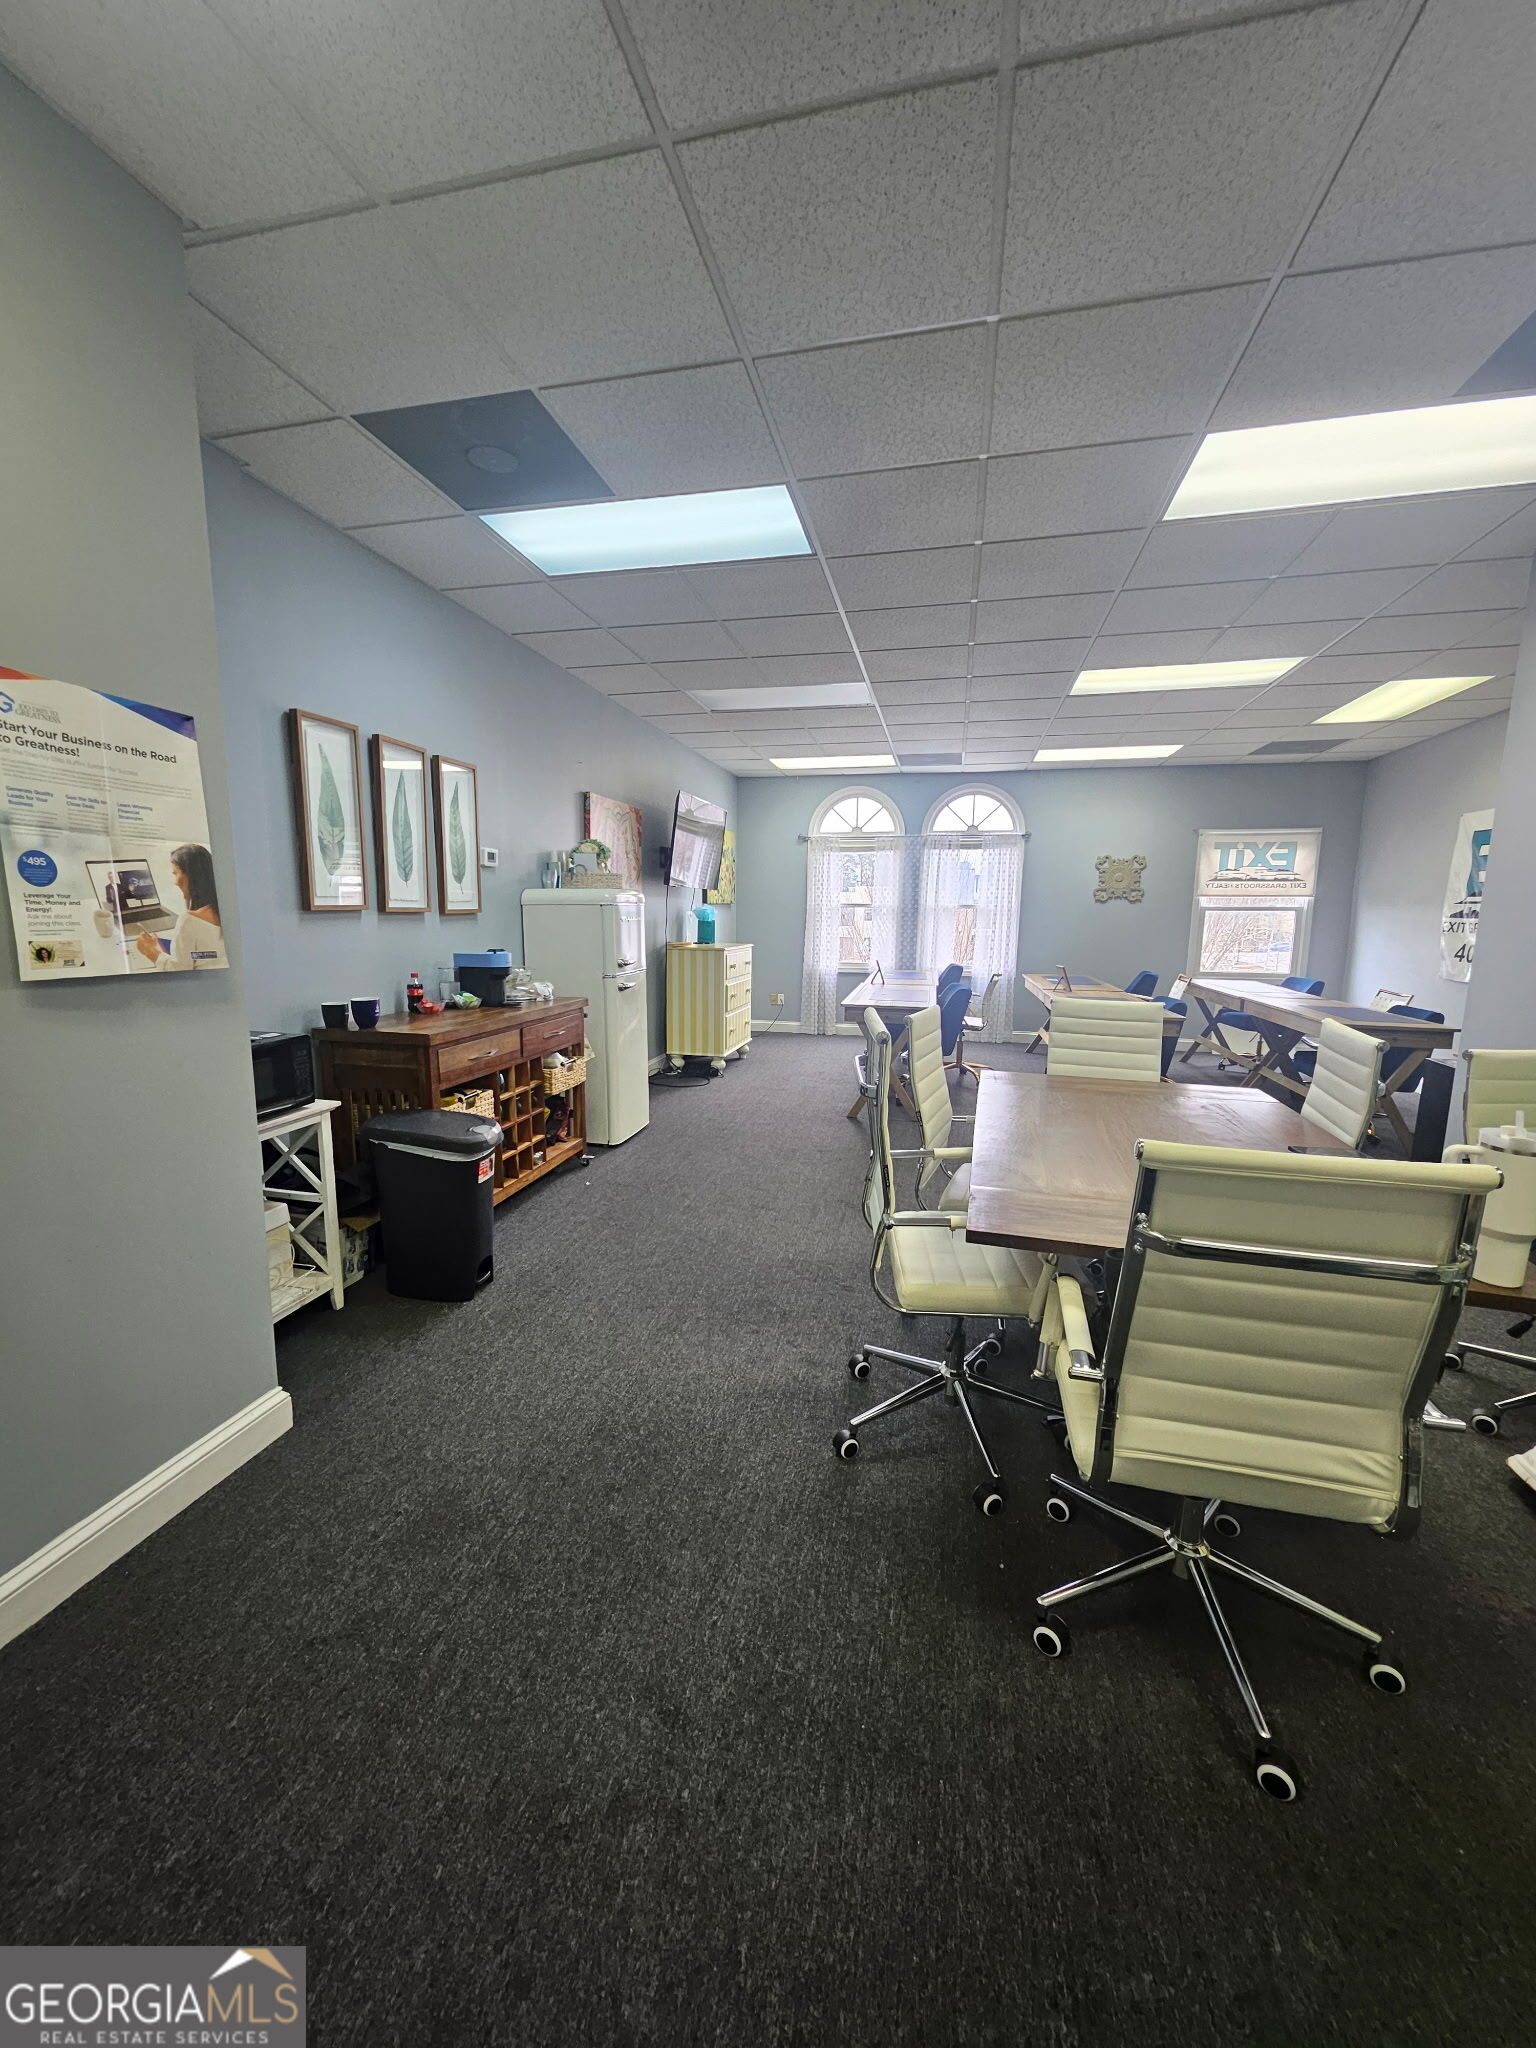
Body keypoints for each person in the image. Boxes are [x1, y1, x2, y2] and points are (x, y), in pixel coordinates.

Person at [135, 843, 227, 971]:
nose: (175, 882)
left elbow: (179, 970)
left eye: (175, 873)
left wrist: (151, 952)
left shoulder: (189, 920)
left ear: (190, 875)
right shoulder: (228, 912)